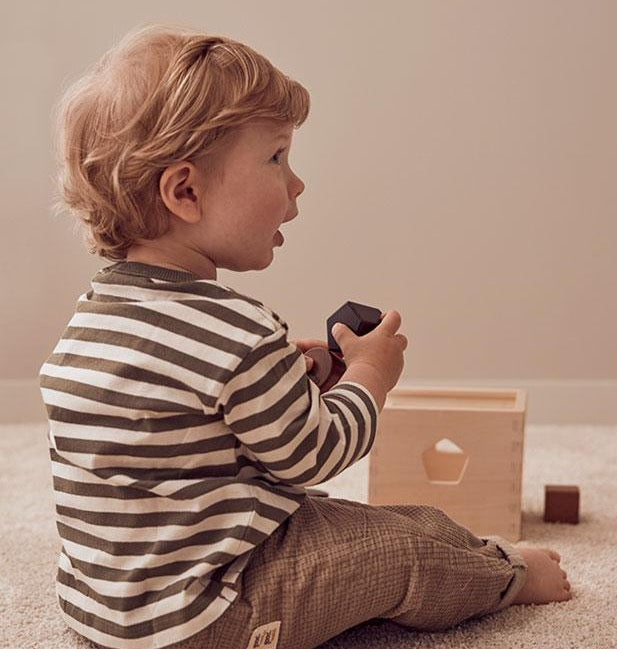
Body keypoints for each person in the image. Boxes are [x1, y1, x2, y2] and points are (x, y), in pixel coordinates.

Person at [40, 23, 571, 649]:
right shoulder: (233, 328)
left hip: (107, 611)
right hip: (213, 614)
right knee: (406, 542)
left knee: (339, 526)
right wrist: (372, 377)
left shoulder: (94, 318)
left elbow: (177, 439)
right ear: (185, 191)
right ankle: (506, 574)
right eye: (276, 157)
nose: (297, 183)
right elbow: (311, 455)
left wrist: (290, 380)